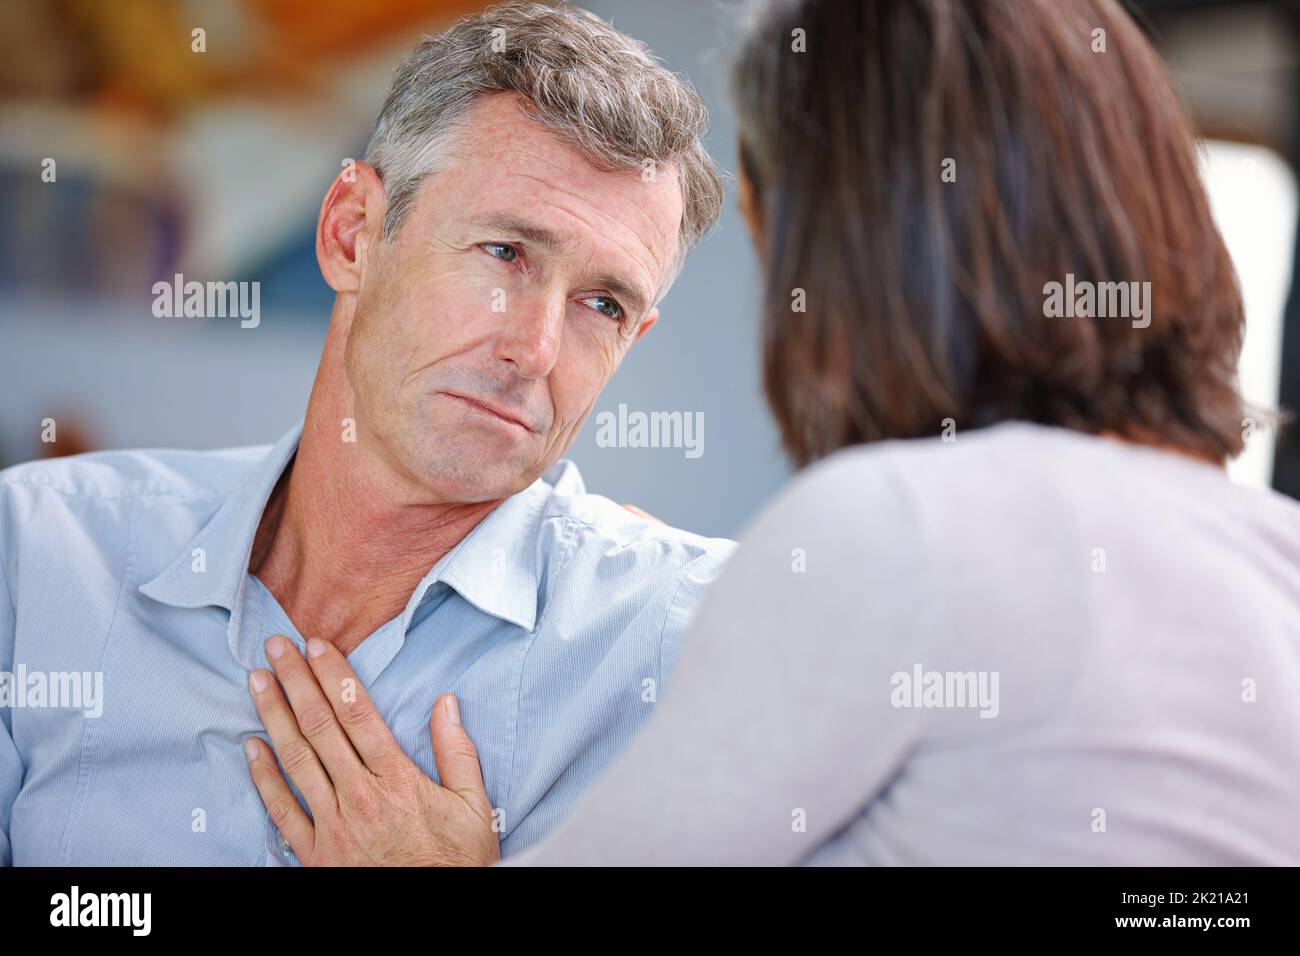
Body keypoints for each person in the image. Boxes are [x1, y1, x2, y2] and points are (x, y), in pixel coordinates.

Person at [247, 0, 1300, 865]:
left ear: (842, 241)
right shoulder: (1275, 553)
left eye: (607, 302)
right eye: (502, 253)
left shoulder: (887, 533)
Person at [0, 2, 733, 866]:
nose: (535, 352)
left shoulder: (697, 640)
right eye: (505, 253)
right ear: (352, 234)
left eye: (603, 305)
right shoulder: (39, 549)